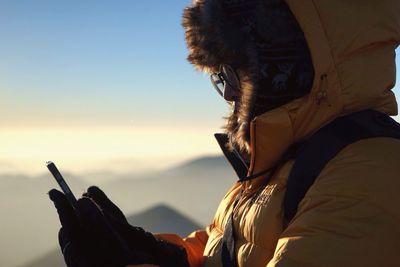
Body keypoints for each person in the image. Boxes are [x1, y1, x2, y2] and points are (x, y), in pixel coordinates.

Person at [49, 0, 400, 266]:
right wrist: (160, 253)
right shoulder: (283, 163)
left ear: (290, 65)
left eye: (235, 72)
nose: (229, 94)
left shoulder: (368, 179)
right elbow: (231, 248)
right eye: (219, 77)